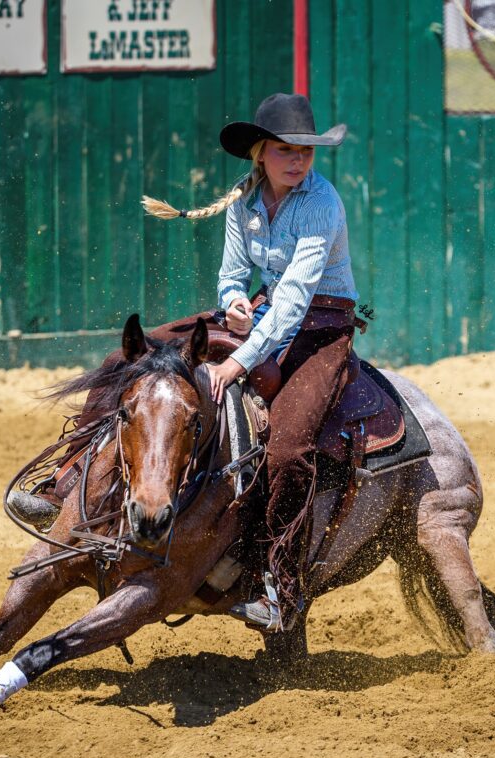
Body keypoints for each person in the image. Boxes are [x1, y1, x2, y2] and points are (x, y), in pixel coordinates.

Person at [142, 93, 358, 632]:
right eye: (286, 150)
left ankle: (280, 589)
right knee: (144, 354)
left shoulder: (322, 203)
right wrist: (236, 299)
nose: (298, 161)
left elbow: (294, 301)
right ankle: (69, 484)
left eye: (306, 151)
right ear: (260, 154)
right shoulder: (243, 203)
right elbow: (233, 276)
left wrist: (237, 361)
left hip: (323, 326)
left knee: (288, 448)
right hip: (265, 315)